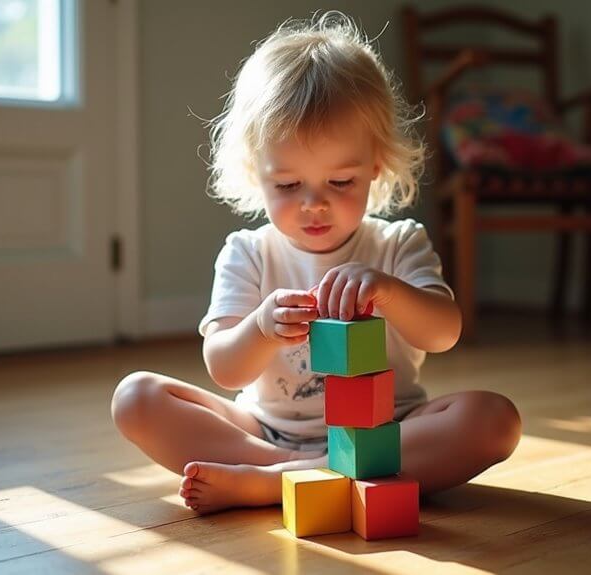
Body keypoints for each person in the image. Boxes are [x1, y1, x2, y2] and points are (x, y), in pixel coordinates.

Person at [111, 12, 521, 514]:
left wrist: (389, 292)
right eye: (287, 186)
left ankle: (278, 482)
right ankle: (306, 470)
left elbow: (443, 334)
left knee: (495, 419)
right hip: (264, 431)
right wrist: (261, 326)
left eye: (341, 182)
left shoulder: (399, 243)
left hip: (388, 432)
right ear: (254, 172)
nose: (314, 204)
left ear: (376, 164)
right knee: (135, 399)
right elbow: (224, 369)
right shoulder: (249, 252)